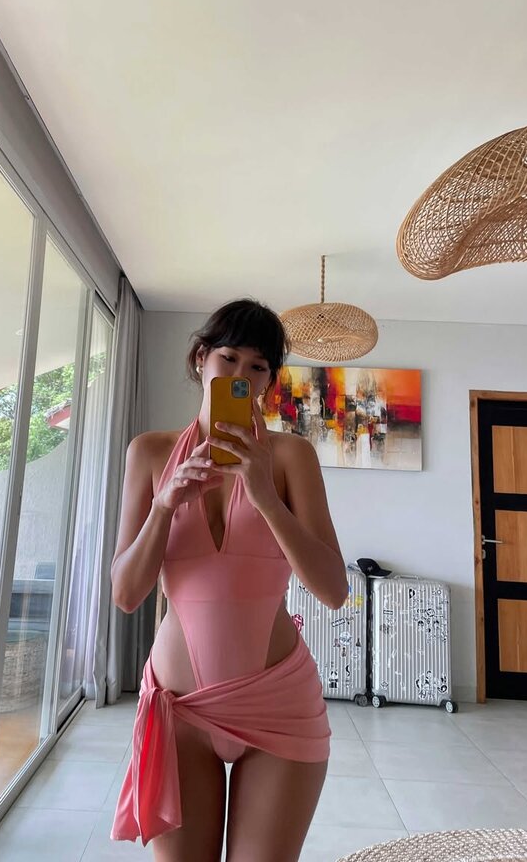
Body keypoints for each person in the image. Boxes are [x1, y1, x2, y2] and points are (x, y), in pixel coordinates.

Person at [110, 298, 349, 862]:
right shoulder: (150, 454)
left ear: (269, 381)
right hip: (179, 710)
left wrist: (265, 496)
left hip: (278, 708)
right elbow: (126, 594)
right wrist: (164, 506)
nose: (241, 374)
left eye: (257, 366)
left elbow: (334, 591)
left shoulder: (291, 456)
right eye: (229, 357)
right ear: (201, 359)